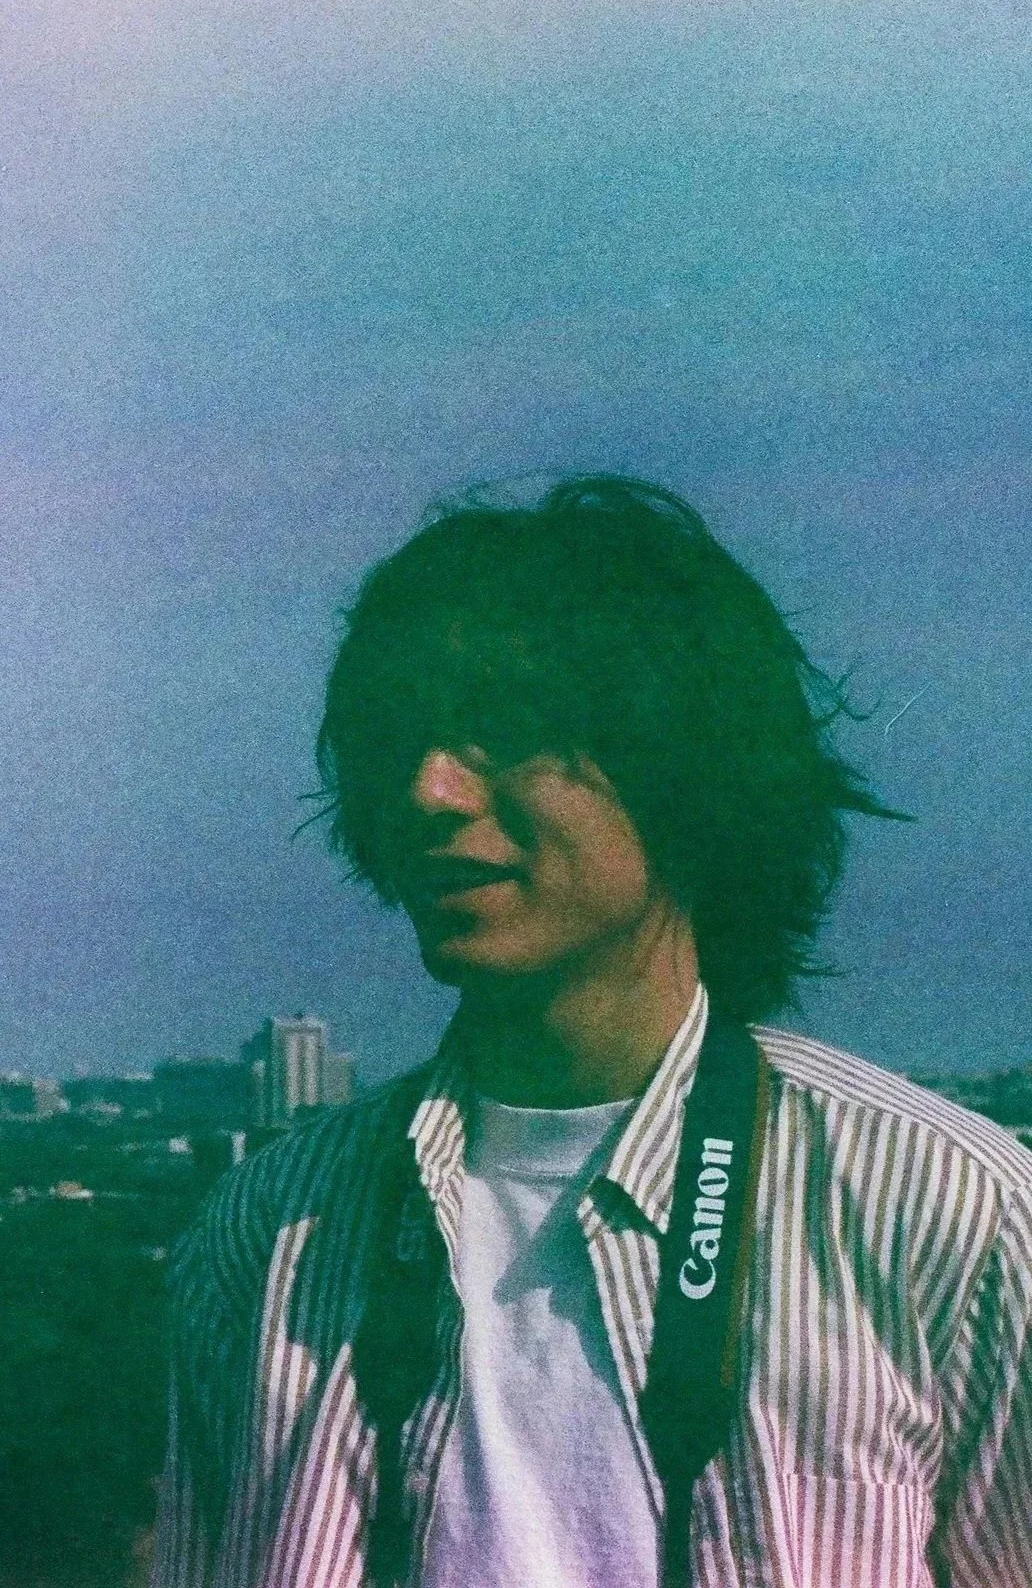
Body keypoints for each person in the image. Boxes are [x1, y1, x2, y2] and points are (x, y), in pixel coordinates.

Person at [152, 476, 1032, 1588]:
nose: (428, 789)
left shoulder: (948, 1214)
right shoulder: (270, 1231)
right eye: (400, 739)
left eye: (506, 731)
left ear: (690, 769)